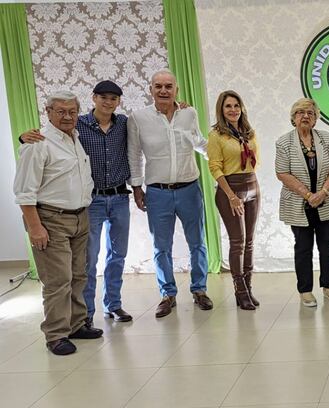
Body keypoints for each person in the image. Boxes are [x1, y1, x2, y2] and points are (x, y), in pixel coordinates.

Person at [20, 80, 134, 326]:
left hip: (118, 198)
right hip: (90, 203)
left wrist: (179, 107)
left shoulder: (124, 123)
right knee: (87, 262)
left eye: (113, 98)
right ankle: (86, 316)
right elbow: (43, 145)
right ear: (93, 98)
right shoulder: (76, 125)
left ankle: (113, 305)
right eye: (103, 97)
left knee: (117, 255)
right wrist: (23, 137)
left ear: (118, 102)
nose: (108, 102)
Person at [14, 91, 103, 355]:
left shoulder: (75, 138)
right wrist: (34, 226)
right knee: (57, 280)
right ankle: (55, 334)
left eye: (72, 111)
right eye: (60, 111)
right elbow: (24, 192)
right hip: (51, 219)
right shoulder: (37, 143)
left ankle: (76, 324)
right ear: (48, 112)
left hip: (79, 217)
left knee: (78, 275)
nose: (67, 116)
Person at [128, 69, 212, 318]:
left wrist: (224, 158)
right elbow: (134, 155)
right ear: (150, 89)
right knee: (161, 246)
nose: (163, 91)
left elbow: (199, 142)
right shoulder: (138, 118)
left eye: (168, 86)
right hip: (157, 192)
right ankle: (168, 293)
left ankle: (200, 290)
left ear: (177, 89)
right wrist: (136, 187)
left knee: (197, 243)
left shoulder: (189, 113)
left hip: (189, 189)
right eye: (158, 86)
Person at [276, 98, 329, 307]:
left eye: (310, 113)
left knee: (328, 246)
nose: (305, 116)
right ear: (293, 117)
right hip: (298, 204)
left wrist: (322, 192)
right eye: (300, 112)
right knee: (303, 248)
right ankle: (305, 289)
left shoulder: (327, 139)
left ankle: (328, 285)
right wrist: (308, 194)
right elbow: (282, 173)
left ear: (315, 119)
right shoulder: (283, 142)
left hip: (326, 201)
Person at [208, 90, 261, 310]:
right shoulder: (216, 135)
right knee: (237, 241)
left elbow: (255, 160)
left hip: (252, 186)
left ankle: (248, 287)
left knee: (249, 241)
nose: (233, 110)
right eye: (228, 106)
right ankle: (239, 291)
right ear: (221, 109)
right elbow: (214, 166)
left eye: (236, 105)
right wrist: (231, 195)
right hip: (230, 188)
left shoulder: (248, 132)